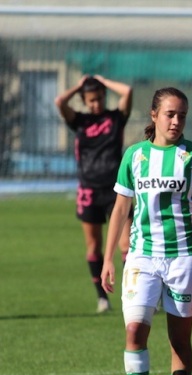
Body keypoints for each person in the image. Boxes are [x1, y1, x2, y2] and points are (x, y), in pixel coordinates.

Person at [101, 87, 192, 375]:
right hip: (142, 256)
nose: (176, 121)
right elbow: (121, 208)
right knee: (135, 330)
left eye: (182, 114)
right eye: (170, 114)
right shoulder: (135, 156)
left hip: (184, 257)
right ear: (154, 115)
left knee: (179, 340)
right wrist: (108, 258)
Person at [55, 74, 133, 313]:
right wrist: (79, 85)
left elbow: (127, 90)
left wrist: (102, 81)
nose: (96, 104)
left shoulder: (116, 118)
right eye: (91, 100)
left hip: (116, 190)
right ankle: (102, 299)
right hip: (88, 190)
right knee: (94, 246)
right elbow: (59, 102)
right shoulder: (79, 121)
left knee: (127, 245)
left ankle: (132, 294)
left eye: (99, 98)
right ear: (84, 100)